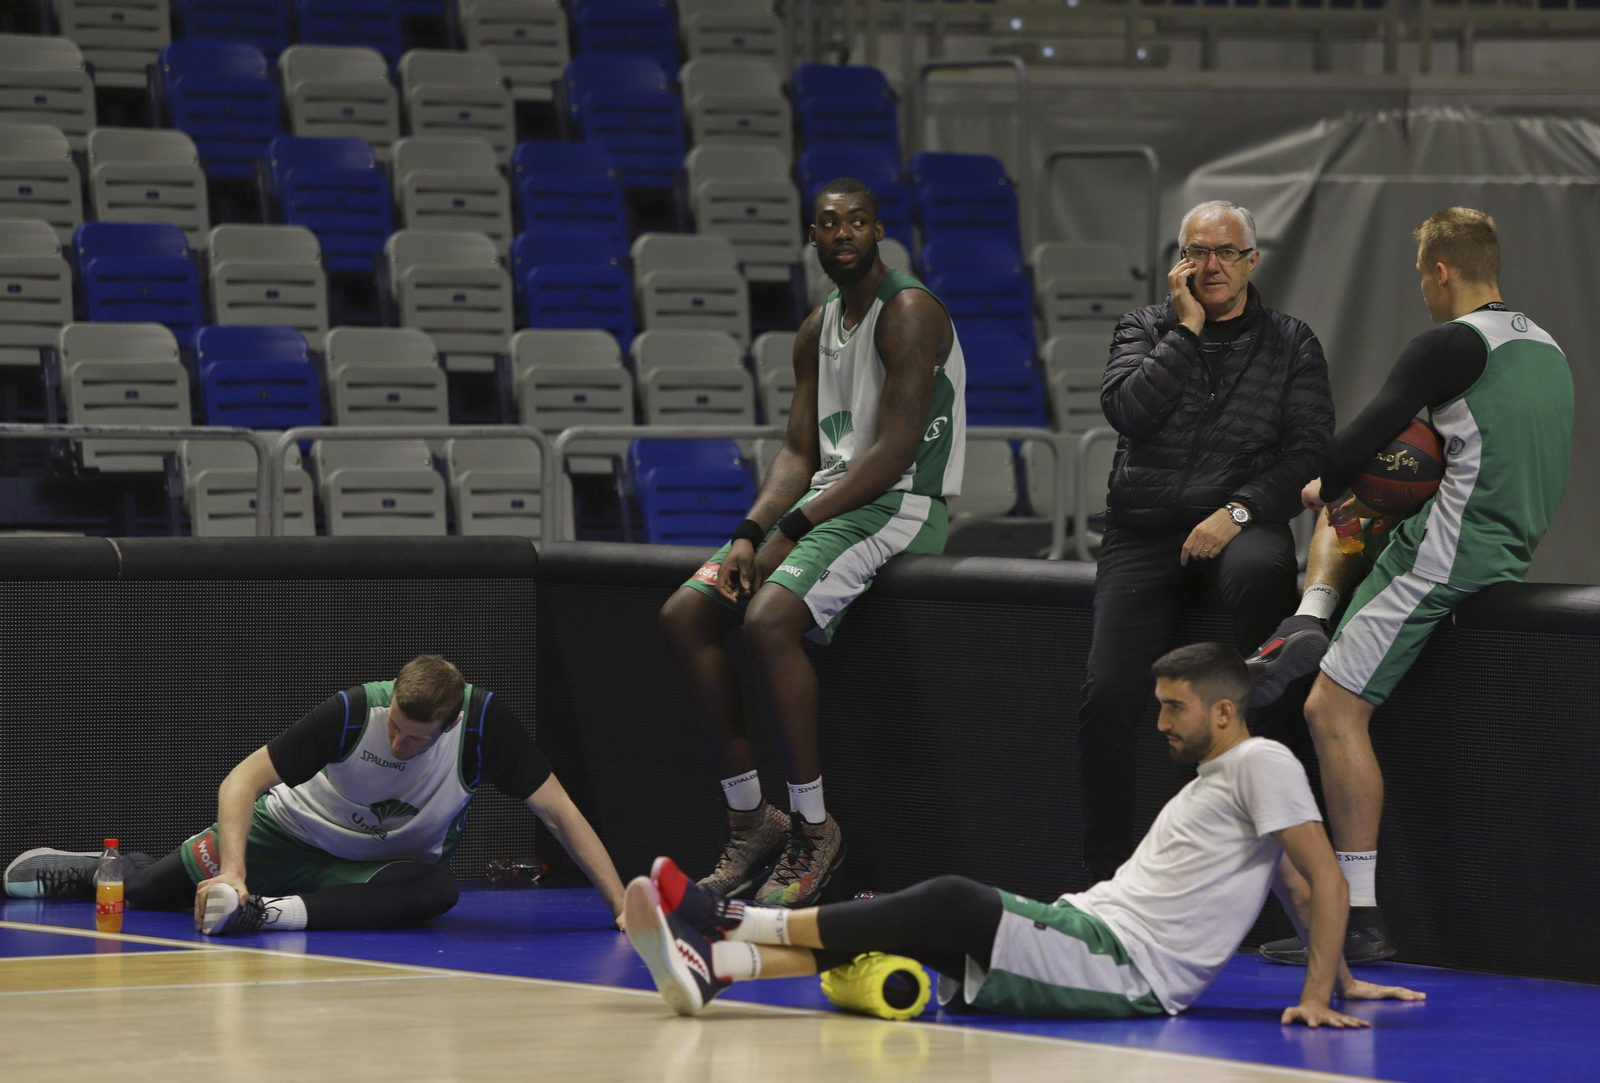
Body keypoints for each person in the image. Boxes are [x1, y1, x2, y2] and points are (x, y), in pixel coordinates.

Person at [625, 643, 1427, 1025]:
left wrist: (1321, 994)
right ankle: (720, 968)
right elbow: (1290, 882)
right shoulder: (1228, 776)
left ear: (1224, 709)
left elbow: (1321, 875)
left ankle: (722, 916)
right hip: (1100, 934)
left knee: (948, 902)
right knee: (933, 927)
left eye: (1172, 707)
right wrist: (1345, 975)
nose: (1159, 723)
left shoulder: (1264, 759)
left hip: (1128, 967)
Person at [1245, 207, 1573, 964]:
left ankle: (1355, 916)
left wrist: (1319, 480)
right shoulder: (1544, 343)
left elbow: (1360, 436)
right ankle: (1311, 614)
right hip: (1506, 542)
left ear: (1440, 271)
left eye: (1422, 277)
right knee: (1363, 506)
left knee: (1330, 709)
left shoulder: (1447, 343)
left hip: (1445, 554)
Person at [658, 177, 967, 908]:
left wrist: (795, 524)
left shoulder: (911, 312)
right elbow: (798, 454)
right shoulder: (815, 326)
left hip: (900, 502)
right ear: (812, 237)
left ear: (878, 229)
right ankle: (750, 820)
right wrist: (749, 531)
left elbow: (892, 453)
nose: (845, 234)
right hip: (827, 501)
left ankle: (814, 828)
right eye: (830, 224)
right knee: (686, 613)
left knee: (768, 619)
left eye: (858, 221)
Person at [5, 655, 628, 935]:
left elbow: (559, 813)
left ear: (449, 724)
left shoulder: (489, 728)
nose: (400, 742)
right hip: (291, 836)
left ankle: (271, 917)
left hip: (375, 870)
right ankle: (104, 869)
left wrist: (622, 904)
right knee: (146, 895)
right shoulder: (357, 711)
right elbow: (241, 781)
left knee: (437, 891)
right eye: (395, 730)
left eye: (416, 740)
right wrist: (236, 874)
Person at [1080, 200, 1334, 880]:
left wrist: (1241, 509)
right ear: (1179, 263)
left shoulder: (1292, 341)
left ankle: (1277, 852)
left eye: (1227, 251)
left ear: (1253, 260)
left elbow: (1310, 452)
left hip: (1241, 524)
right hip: (1142, 529)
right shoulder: (1146, 327)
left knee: (1263, 577)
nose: (1212, 265)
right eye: (1199, 252)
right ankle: (1102, 878)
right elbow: (1126, 410)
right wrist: (1184, 333)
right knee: (1106, 698)